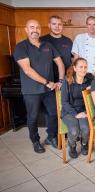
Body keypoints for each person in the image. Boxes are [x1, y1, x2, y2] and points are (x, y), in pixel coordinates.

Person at [13, 19, 65, 153]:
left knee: (54, 113)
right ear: (26, 29)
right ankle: (35, 141)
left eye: (37, 27)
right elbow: (27, 70)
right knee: (33, 117)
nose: (35, 30)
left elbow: (59, 63)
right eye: (31, 27)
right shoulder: (21, 47)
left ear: (40, 30)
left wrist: (60, 80)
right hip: (31, 90)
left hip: (49, 89)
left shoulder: (48, 45)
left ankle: (51, 137)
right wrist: (47, 82)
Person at [61, 58, 94, 159]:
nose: (83, 69)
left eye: (85, 67)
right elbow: (64, 102)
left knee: (85, 130)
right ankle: (72, 146)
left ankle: (84, 144)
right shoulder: (67, 81)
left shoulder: (89, 79)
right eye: (80, 67)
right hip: (69, 112)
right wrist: (75, 114)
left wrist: (91, 89)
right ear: (74, 68)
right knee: (74, 130)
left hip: (83, 111)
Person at [41, 15, 73, 83]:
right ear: (49, 25)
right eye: (54, 24)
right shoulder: (41, 40)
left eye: (59, 24)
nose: (57, 27)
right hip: (47, 80)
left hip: (64, 80)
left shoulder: (68, 41)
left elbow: (72, 60)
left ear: (62, 26)